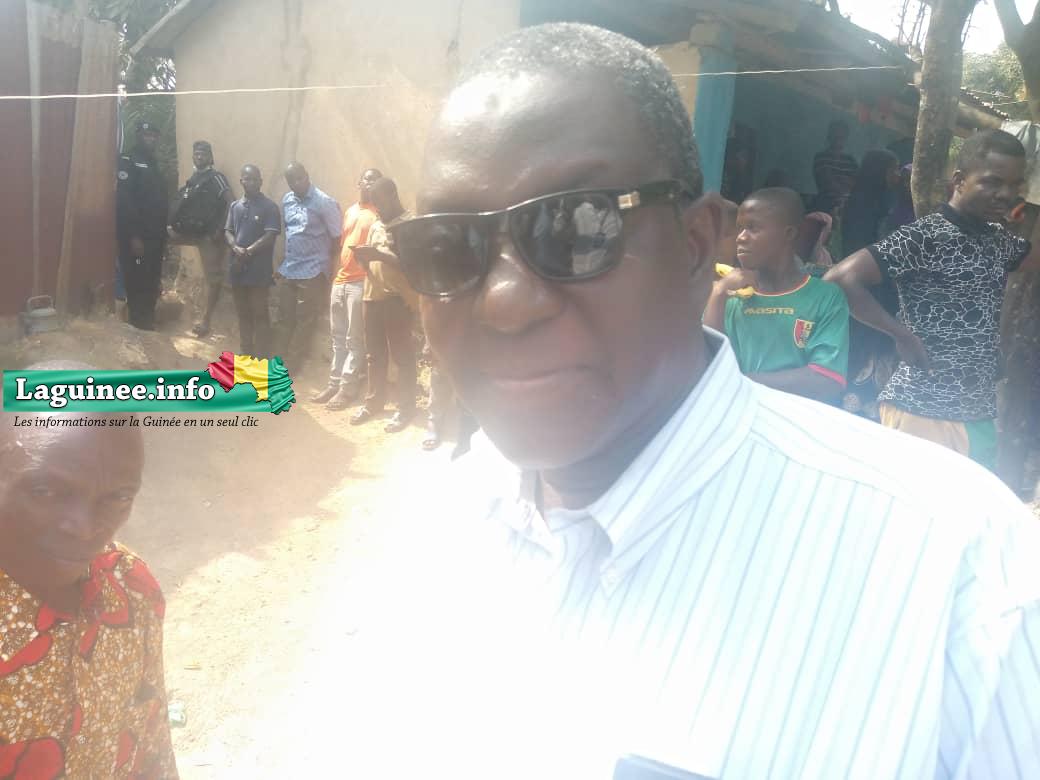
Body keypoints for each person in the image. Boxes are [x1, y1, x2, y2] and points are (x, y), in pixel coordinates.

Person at [352, 23, 1040, 779]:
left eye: (578, 228)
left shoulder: (959, 572)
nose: (505, 301)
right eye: (448, 246)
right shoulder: (442, 521)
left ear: (693, 243)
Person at [0, 362, 178, 778]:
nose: (84, 528)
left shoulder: (133, 587)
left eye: (117, 498)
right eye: (45, 491)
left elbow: (152, 743)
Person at [826, 129, 1040, 469]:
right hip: (923, 408)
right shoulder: (927, 236)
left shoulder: (997, 239)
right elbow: (839, 280)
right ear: (960, 180)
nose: (1005, 194)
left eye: (1014, 185)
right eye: (992, 182)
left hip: (977, 411)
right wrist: (900, 334)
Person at [704, 188, 849, 404]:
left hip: (794, 420)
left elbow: (826, 380)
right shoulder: (727, 295)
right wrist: (717, 295)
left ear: (788, 234)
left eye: (753, 228)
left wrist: (741, 383)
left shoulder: (825, 296)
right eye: (739, 228)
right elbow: (707, 369)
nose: (740, 238)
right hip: (737, 416)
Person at [350, 178, 418, 433]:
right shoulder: (377, 224)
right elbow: (371, 262)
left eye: (379, 201)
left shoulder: (410, 224)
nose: (376, 207)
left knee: (403, 357)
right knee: (374, 356)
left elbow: (411, 265)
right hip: (372, 297)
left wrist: (378, 255)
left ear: (393, 195)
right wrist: (364, 257)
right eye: (374, 203)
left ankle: (405, 408)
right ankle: (374, 402)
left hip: (397, 300)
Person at [839, 149, 902, 419]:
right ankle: (857, 404)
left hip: (869, 285)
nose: (896, 175)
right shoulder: (869, 206)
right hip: (868, 287)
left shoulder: (871, 200)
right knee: (866, 343)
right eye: (892, 169)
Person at [312, 169, 382, 410]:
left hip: (360, 282)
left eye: (375, 180)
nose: (370, 183)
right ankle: (334, 383)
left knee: (354, 339)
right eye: (367, 179)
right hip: (340, 281)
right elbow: (343, 246)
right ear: (359, 182)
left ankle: (347, 389)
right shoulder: (351, 211)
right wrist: (335, 277)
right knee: (337, 338)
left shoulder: (379, 214)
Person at [275, 162, 343, 370]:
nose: (297, 183)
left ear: (307, 175)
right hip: (290, 267)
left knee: (305, 319)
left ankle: (292, 366)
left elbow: (337, 237)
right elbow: (288, 231)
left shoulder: (324, 202)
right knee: (284, 316)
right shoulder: (287, 200)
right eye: (292, 181)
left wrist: (326, 265)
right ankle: (278, 360)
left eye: (300, 178)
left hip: (313, 270)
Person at [168, 140, 235, 338]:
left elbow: (231, 203)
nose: (199, 156)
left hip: (209, 236)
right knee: (156, 240)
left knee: (213, 278)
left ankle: (206, 320)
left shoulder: (217, 178)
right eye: (196, 153)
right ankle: (158, 294)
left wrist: (221, 230)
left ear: (210, 157)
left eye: (203, 153)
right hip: (191, 232)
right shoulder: (194, 178)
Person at [116, 120, 168, 331]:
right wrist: (134, 236)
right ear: (138, 136)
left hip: (155, 236)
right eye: (147, 135)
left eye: (154, 136)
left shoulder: (153, 163)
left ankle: (148, 321)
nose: (151, 139)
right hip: (138, 237)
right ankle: (138, 322)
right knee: (137, 279)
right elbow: (125, 201)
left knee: (152, 278)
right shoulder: (128, 161)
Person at [225, 165, 281, 358]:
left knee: (260, 313)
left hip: (259, 271)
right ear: (241, 181)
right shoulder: (235, 206)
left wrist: (248, 251)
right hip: (237, 268)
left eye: (255, 179)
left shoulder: (269, 207)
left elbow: (270, 235)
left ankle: (262, 355)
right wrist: (235, 247)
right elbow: (227, 231)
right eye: (247, 179)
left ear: (261, 182)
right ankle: (245, 353)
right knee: (243, 313)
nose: (251, 182)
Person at [812, 119, 858, 216]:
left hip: (849, 208)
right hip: (826, 206)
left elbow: (857, 184)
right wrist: (846, 182)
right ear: (829, 136)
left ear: (846, 137)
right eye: (836, 134)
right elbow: (826, 183)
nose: (839, 138)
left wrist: (837, 180)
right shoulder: (821, 157)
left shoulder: (851, 160)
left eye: (842, 135)